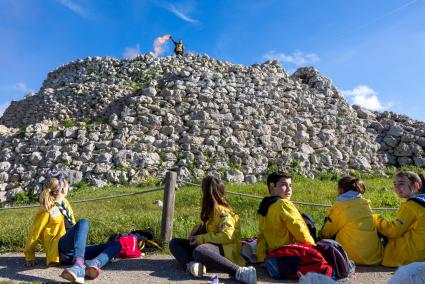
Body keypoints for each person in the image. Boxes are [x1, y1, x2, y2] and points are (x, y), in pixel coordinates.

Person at [24, 171, 121, 284]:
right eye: (67, 187)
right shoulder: (47, 210)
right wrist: (30, 256)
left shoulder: (65, 203)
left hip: (72, 252)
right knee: (83, 222)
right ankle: (79, 265)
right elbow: (34, 232)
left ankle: (93, 264)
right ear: (63, 190)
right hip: (60, 249)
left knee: (117, 244)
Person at [169, 176, 256, 284]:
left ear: (206, 193)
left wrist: (201, 239)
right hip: (214, 247)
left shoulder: (222, 211)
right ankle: (192, 265)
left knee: (199, 251)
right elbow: (210, 231)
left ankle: (239, 272)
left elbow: (227, 236)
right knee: (175, 242)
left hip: (227, 250)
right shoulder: (210, 211)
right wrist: (197, 233)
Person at [318, 176, 383, 265]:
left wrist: (319, 237)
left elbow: (327, 232)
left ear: (340, 190)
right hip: (374, 257)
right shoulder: (365, 204)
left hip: (350, 257)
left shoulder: (340, 206)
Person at [256, 172, 315, 263]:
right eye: (284, 185)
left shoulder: (264, 206)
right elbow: (300, 231)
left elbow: (262, 236)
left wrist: (261, 258)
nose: (289, 189)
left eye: (290, 185)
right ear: (272, 188)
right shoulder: (283, 204)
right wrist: (315, 249)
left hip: (274, 258)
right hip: (290, 255)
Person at [373, 171, 425, 267]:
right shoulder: (422, 202)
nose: (396, 187)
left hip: (410, 258)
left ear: (416, 186)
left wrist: (376, 219)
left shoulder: (411, 206)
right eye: (395, 184)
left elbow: (393, 230)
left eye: (401, 184)